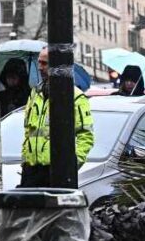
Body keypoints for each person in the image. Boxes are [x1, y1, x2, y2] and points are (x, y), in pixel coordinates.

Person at [20, 47, 94, 187]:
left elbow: (86, 135)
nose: (40, 67)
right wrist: (25, 161)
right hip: (32, 171)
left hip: (58, 171)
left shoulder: (75, 96)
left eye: (44, 63)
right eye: (39, 63)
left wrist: (71, 165)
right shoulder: (35, 93)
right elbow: (28, 131)